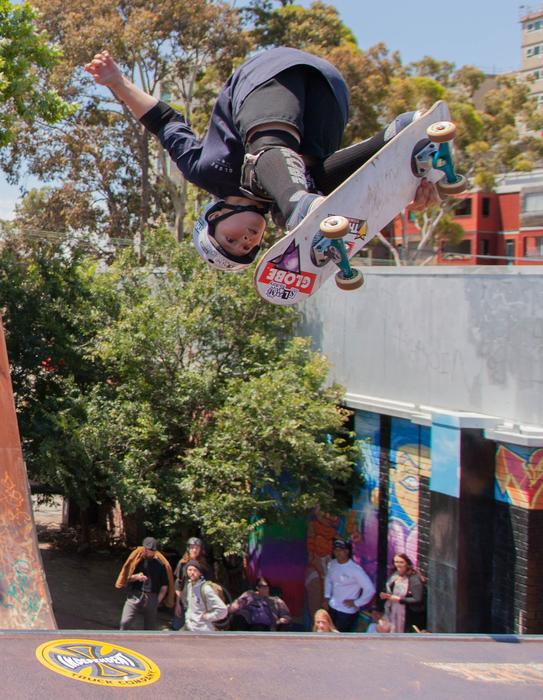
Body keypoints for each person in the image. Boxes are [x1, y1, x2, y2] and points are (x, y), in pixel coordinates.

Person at [84, 48, 438, 272]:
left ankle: (304, 207)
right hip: (329, 94)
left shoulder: (204, 171)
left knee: (277, 182)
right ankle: (393, 137)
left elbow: (166, 123)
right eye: (249, 247)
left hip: (269, 78)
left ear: (216, 217)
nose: (248, 240)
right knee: (315, 184)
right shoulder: (284, 198)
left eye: (232, 240)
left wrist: (117, 82)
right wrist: (407, 187)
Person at [115, 536, 174, 630]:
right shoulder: (136, 561)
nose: (149, 552)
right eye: (148, 549)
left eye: (152, 550)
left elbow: (164, 586)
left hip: (152, 597)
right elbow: (126, 578)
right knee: (125, 623)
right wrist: (136, 577)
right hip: (134, 595)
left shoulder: (160, 564)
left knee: (150, 629)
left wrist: (157, 601)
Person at [323, 538, 375, 633]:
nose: (338, 553)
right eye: (336, 550)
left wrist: (357, 603)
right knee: (329, 633)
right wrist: (326, 597)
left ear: (347, 551)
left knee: (340, 638)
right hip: (332, 606)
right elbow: (328, 579)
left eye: (341, 550)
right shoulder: (332, 564)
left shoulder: (355, 569)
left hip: (346, 611)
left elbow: (370, 589)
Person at [379, 552, 426, 633]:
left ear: (407, 563)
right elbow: (389, 590)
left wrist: (399, 599)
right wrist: (384, 595)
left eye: (401, 562)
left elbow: (417, 599)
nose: (398, 565)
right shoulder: (394, 575)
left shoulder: (413, 579)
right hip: (392, 612)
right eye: (396, 562)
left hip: (407, 616)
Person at [172, 537, 210, 631]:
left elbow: (209, 585)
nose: (194, 550)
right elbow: (178, 584)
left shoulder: (204, 566)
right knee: (177, 628)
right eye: (192, 547)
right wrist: (177, 604)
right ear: (188, 548)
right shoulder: (182, 564)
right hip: (184, 601)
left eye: (197, 547)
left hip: (199, 604)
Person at [181, 559, 228, 632]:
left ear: (200, 573)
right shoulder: (189, 586)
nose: (192, 573)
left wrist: (208, 617)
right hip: (190, 628)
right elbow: (190, 608)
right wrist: (187, 619)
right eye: (189, 570)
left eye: (195, 570)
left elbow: (223, 610)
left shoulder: (205, 589)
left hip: (204, 630)